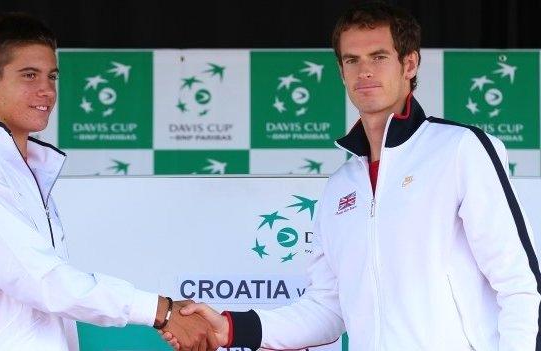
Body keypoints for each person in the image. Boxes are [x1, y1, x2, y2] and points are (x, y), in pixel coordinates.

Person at [162, 2, 541, 350]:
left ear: (409, 65)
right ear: (341, 71)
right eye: (352, 60)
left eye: (379, 57)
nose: (365, 71)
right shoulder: (341, 186)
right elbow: (327, 310)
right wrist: (230, 329)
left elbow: (519, 283)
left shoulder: (461, 148)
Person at [0, 13, 217, 351]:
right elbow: (39, 280)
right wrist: (160, 310)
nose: (46, 89)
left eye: (52, 76)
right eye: (29, 75)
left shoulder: (25, 169)